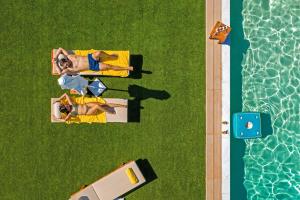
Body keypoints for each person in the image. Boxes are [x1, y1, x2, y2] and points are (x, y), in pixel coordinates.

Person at [52, 47, 133, 75]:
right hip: (93, 66)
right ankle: (127, 68)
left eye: (65, 64)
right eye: (64, 66)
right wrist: (55, 63)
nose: (66, 66)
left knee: (99, 52)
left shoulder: (69, 56)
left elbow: (60, 48)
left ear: (65, 60)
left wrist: (55, 57)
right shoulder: (68, 69)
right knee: (109, 67)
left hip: (90, 58)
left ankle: (110, 56)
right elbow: (59, 73)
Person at [52, 93, 127, 122]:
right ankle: (109, 112)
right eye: (66, 107)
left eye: (66, 105)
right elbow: (65, 120)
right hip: (88, 112)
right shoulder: (71, 114)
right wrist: (56, 118)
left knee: (103, 104)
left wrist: (59, 99)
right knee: (97, 106)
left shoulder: (71, 103)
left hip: (87, 105)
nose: (67, 105)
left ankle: (123, 106)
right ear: (66, 111)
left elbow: (65, 94)